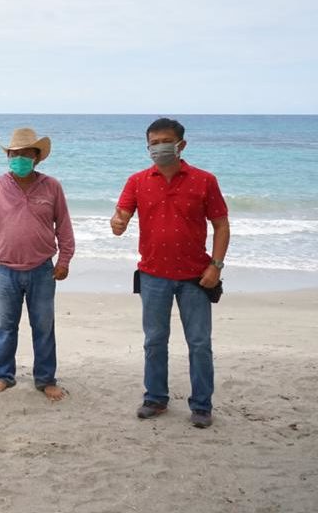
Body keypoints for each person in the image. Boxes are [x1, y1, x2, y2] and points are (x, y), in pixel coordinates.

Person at [111, 118, 229, 428]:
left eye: (165, 141)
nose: (159, 147)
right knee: (154, 340)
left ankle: (202, 405)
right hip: (153, 276)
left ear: (181, 145)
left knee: (200, 343)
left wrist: (215, 266)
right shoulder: (137, 181)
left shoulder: (204, 180)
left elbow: (221, 225)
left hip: (196, 277)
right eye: (153, 142)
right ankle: (155, 399)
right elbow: (120, 217)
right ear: (147, 147)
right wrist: (117, 222)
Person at [0, 127, 74, 401]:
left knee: (44, 327)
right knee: (5, 327)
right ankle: (4, 376)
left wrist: (64, 260)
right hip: (6, 270)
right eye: (14, 154)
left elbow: (64, 226)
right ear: (8, 156)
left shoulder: (52, 186)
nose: (19, 158)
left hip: (42, 269)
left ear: (36, 158)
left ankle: (46, 379)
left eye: (26, 154)